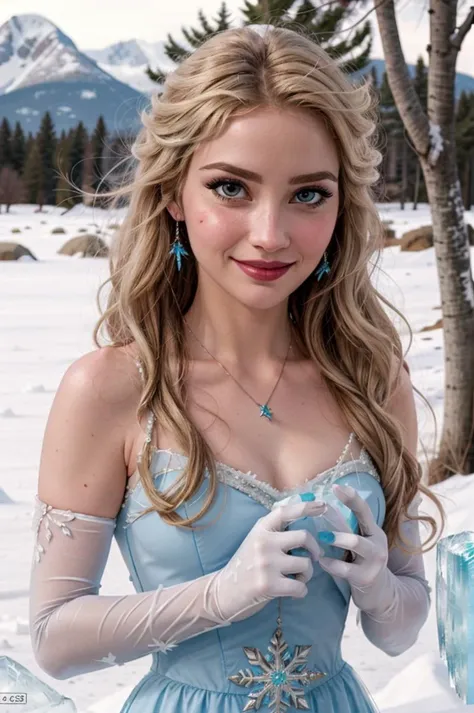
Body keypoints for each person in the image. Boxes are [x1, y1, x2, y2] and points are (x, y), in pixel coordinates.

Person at [29, 25, 445, 713]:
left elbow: (401, 629)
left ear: (342, 206)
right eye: (231, 188)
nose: (271, 232)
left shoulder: (374, 380)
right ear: (172, 193)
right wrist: (218, 595)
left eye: (309, 194)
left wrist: (380, 588)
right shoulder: (111, 388)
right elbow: (52, 636)